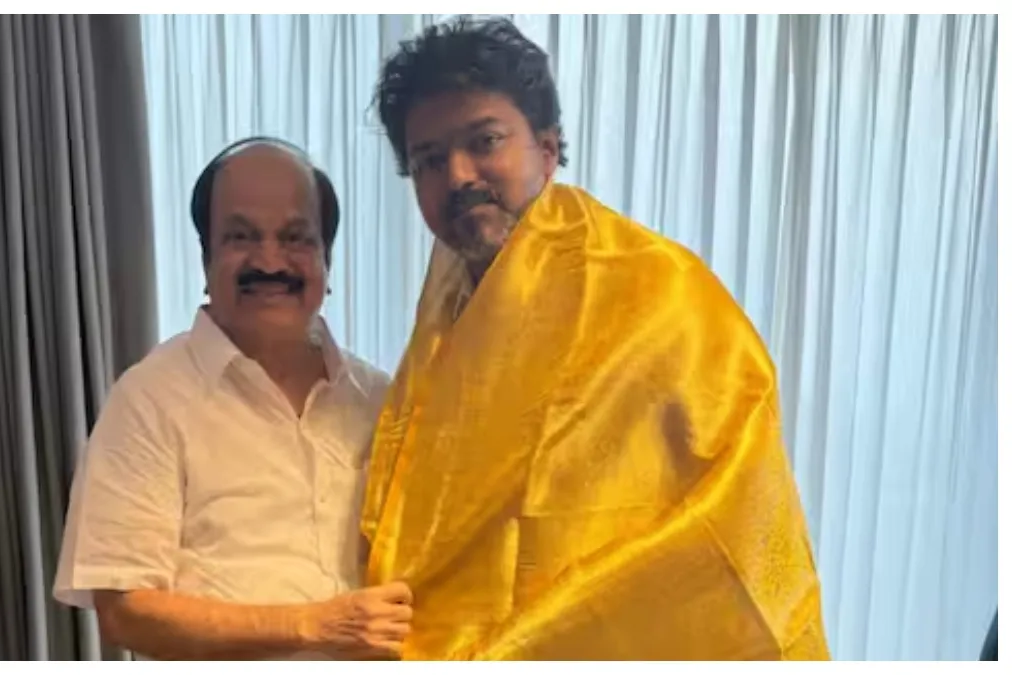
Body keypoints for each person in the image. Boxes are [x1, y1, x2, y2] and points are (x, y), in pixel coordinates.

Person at [360, 18, 830, 660]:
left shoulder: (657, 289)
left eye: (485, 141)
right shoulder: (444, 310)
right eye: (429, 161)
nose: (459, 175)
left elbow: (738, 511)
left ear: (548, 148)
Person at [54, 138, 413, 660]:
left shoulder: (381, 400)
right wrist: (313, 625)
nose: (270, 260)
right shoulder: (148, 399)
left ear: (327, 260)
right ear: (206, 259)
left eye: (296, 238)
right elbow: (126, 611)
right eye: (241, 237)